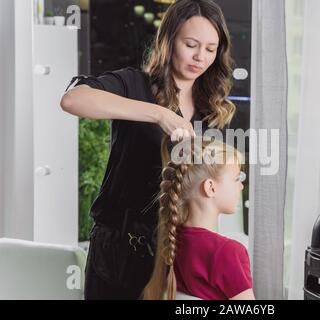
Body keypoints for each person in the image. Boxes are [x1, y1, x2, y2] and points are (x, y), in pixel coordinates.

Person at [60, 0, 236, 299]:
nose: (200, 57)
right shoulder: (133, 84)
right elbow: (73, 100)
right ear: (168, 41)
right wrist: (159, 114)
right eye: (191, 44)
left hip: (177, 252)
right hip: (119, 250)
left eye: (210, 49)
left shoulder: (212, 109)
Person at [142, 137, 255, 300]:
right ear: (211, 187)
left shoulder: (170, 241)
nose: (241, 186)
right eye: (236, 178)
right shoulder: (227, 252)